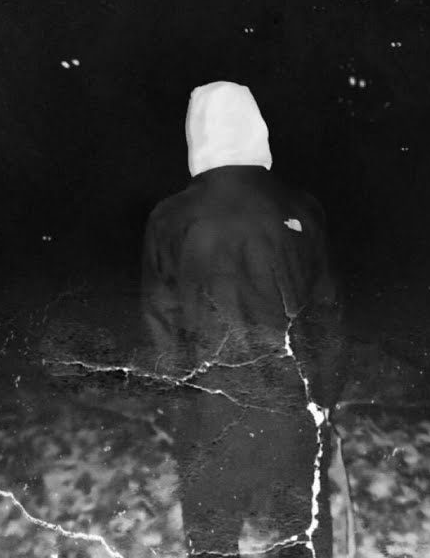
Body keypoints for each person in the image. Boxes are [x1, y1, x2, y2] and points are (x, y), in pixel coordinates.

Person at [140, 82, 346, 557]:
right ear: (257, 127)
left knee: (212, 538)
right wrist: (326, 396)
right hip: (291, 408)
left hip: (211, 414)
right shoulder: (301, 207)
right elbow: (328, 313)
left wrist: (180, 409)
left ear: (196, 132)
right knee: (299, 530)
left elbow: (160, 326)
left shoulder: (170, 218)